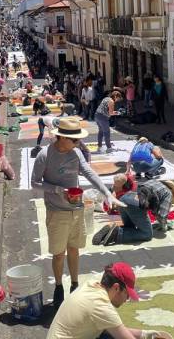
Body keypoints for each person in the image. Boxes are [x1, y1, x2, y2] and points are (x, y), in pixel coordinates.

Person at [31, 119, 125, 309]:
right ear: (62, 137)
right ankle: (59, 287)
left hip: (76, 209)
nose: (77, 144)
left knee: (74, 250)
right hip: (57, 212)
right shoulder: (45, 155)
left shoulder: (76, 153)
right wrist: (59, 190)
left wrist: (108, 194)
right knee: (58, 254)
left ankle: (74, 284)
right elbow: (34, 183)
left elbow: (89, 173)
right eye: (74, 140)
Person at [47, 262, 165, 339]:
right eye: (127, 294)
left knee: (107, 334)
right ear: (116, 288)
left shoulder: (91, 285)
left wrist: (146, 335)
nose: (127, 299)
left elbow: (117, 329)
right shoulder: (101, 306)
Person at [93, 179, 174, 246]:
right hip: (135, 204)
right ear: (172, 191)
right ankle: (118, 234)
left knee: (130, 227)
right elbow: (162, 215)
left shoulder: (154, 181)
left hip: (124, 199)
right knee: (147, 234)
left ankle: (110, 230)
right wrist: (164, 225)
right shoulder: (168, 193)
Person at [94, 91, 122, 155]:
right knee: (107, 132)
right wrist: (118, 113)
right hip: (103, 118)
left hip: (97, 115)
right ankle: (109, 148)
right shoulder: (111, 101)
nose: (117, 100)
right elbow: (110, 113)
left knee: (100, 131)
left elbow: (106, 109)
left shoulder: (106, 98)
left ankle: (99, 146)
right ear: (115, 96)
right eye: (118, 98)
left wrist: (115, 112)